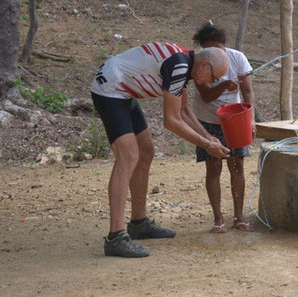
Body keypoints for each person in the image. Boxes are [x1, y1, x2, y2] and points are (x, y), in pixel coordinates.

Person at [91, 43, 230, 258]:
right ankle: (115, 237)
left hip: (124, 91)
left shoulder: (185, 63)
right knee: (128, 156)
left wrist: (208, 136)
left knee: (146, 152)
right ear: (204, 65)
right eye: (214, 77)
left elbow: (183, 110)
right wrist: (206, 145)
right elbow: (172, 121)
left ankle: (138, 223)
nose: (212, 83)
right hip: (110, 89)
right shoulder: (179, 66)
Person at [191, 23, 256, 233]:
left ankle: (238, 216)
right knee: (214, 168)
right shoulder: (199, 63)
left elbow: (247, 92)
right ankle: (218, 219)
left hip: (235, 120)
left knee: (237, 166)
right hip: (207, 121)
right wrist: (223, 85)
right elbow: (206, 95)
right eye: (208, 49)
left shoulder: (238, 58)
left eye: (217, 48)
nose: (213, 53)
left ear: (224, 45)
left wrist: (251, 119)